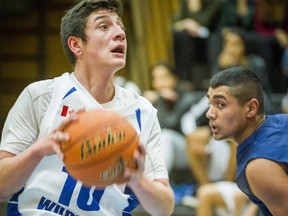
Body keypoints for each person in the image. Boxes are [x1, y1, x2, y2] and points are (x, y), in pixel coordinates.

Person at [0, 0, 174, 215]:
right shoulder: (42, 95)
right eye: (104, 26)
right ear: (76, 45)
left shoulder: (142, 112)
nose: (120, 33)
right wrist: (38, 150)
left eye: (120, 26)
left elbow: (165, 208)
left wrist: (138, 180)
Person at [206, 66, 288, 216]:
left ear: (251, 108)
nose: (209, 114)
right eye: (209, 104)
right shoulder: (282, 122)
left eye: (221, 104)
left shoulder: (259, 166)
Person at [142, 62, 198, 174]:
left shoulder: (187, 96)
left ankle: (157, 183)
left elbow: (168, 125)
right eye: (155, 79)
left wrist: (160, 100)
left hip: (189, 150)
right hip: (162, 150)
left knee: (165, 136)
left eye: (163, 77)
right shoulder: (153, 98)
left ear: (174, 78)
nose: (160, 83)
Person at [172, 0, 222, 83]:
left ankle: (214, 76)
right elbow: (173, 24)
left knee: (215, 39)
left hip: (211, 35)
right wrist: (185, 23)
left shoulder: (214, 2)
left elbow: (205, 21)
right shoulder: (186, 2)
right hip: (192, 37)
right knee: (180, 35)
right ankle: (185, 79)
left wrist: (194, 9)